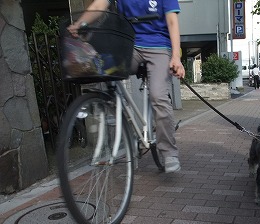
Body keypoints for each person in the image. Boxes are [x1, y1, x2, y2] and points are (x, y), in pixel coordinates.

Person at [68, 0, 185, 173]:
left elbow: (172, 21)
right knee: (103, 67)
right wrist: (80, 23)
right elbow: (99, 5)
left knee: (158, 96)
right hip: (129, 45)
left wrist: (176, 56)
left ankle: (169, 152)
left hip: (159, 46)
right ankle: (112, 106)